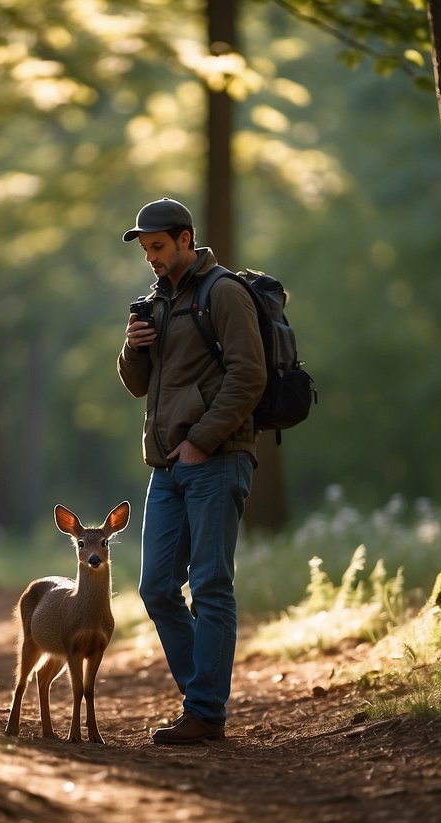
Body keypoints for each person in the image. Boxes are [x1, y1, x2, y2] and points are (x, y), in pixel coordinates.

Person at [117, 197, 265, 744]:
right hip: (167, 467)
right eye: (146, 250)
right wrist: (133, 349)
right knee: (157, 588)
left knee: (210, 587)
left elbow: (249, 377)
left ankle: (204, 712)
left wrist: (202, 442)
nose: (151, 258)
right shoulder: (155, 301)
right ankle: (202, 697)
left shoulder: (222, 292)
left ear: (185, 238)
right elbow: (139, 385)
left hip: (216, 459)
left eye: (158, 246)